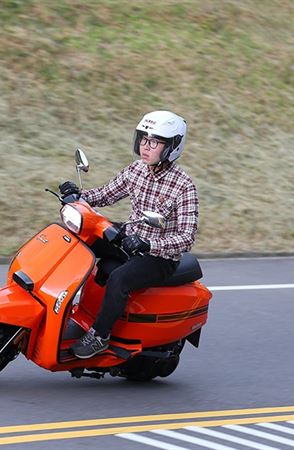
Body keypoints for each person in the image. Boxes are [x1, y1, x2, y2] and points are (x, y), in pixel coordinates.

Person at [59, 110, 199, 359]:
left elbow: (187, 237)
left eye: (154, 142)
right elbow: (105, 194)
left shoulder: (184, 186)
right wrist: (77, 196)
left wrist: (148, 244)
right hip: (130, 238)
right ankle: (59, 302)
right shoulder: (137, 170)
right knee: (76, 236)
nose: (145, 146)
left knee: (119, 278)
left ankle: (99, 336)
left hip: (159, 257)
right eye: (143, 139)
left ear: (172, 147)